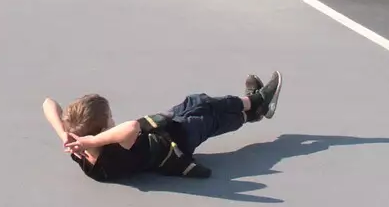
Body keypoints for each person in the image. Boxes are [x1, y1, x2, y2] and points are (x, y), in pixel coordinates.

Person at [42, 73, 281, 182]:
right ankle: (258, 104)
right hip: (174, 145)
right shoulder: (110, 154)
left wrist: (64, 134)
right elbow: (132, 127)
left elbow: (48, 103)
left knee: (197, 101)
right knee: (209, 117)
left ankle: (253, 105)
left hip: (160, 131)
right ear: (102, 132)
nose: (114, 120)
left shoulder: (80, 150)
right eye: (110, 119)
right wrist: (92, 142)